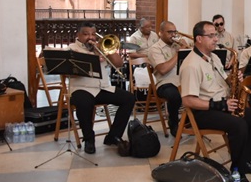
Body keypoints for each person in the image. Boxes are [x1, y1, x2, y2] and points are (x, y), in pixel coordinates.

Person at [179, 21, 251, 182]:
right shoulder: (191, 65)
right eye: (211, 35)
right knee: (239, 124)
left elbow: (222, 82)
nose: (216, 38)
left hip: (222, 104)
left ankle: (245, 160)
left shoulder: (213, 57)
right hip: (203, 112)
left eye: (216, 34)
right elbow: (188, 101)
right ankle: (237, 171)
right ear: (199, 39)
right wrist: (221, 105)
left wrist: (234, 79)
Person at [69, 22, 135, 154]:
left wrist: (106, 50)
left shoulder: (100, 48)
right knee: (84, 102)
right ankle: (89, 139)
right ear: (78, 35)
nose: (90, 37)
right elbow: (66, 72)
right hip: (81, 88)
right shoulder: (72, 49)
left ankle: (113, 136)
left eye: (93, 34)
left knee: (129, 98)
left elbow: (119, 63)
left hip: (102, 88)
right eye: (86, 34)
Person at [146, 21, 190, 137]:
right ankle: (174, 123)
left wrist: (187, 50)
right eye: (170, 32)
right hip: (165, 83)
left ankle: (189, 121)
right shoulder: (154, 49)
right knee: (174, 96)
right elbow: (163, 69)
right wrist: (178, 54)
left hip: (182, 81)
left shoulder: (177, 46)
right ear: (160, 33)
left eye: (174, 32)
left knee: (201, 89)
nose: (173, 35)